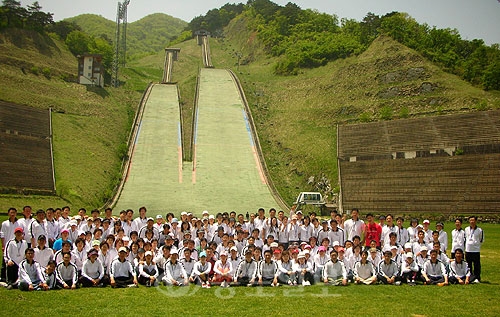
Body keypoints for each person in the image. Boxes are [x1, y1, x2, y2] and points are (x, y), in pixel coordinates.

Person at [1, 207, 19, 283]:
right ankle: (3, 277)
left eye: (14, 213)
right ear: (8, 213)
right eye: (11, 213)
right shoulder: (5, 223)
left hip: (16, 244)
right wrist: (3, 245)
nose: (12, 214)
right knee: (5, 260)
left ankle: (15, 277)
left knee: (15, 260)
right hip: (7, 243)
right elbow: (2, 235)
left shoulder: (19, 223)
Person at [464, 216, 483, 283]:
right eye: (470, 220)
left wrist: (476, 245)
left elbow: (481, 240)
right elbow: (465, 238)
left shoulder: (479, 230)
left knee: (476, 265)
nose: (472, 222)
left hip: (476, 250)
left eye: (473, 220)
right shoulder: (466, 229)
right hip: (468, 250)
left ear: (475, 221)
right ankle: (470, 277)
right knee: (468, 265)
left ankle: (477, 277)